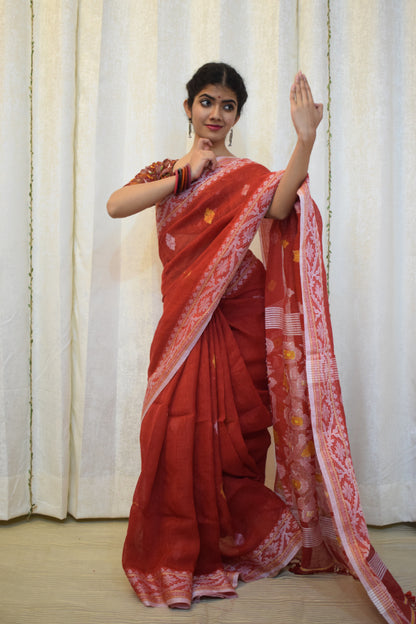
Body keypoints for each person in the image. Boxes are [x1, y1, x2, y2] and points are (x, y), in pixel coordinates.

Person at [107, 63, 415, 620]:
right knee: (172, 431)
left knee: (234, 438)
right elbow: (117, 205)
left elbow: (278, 206)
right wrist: (184, 174)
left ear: (237, 116)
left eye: (227, 106)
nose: (215, 115)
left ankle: (232, 542)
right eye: (206, 102)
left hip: (240, 319)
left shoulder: (244, 174)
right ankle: (181, 553)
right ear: (188, 107)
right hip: (186, 323)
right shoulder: (164, 170)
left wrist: (306, 138)